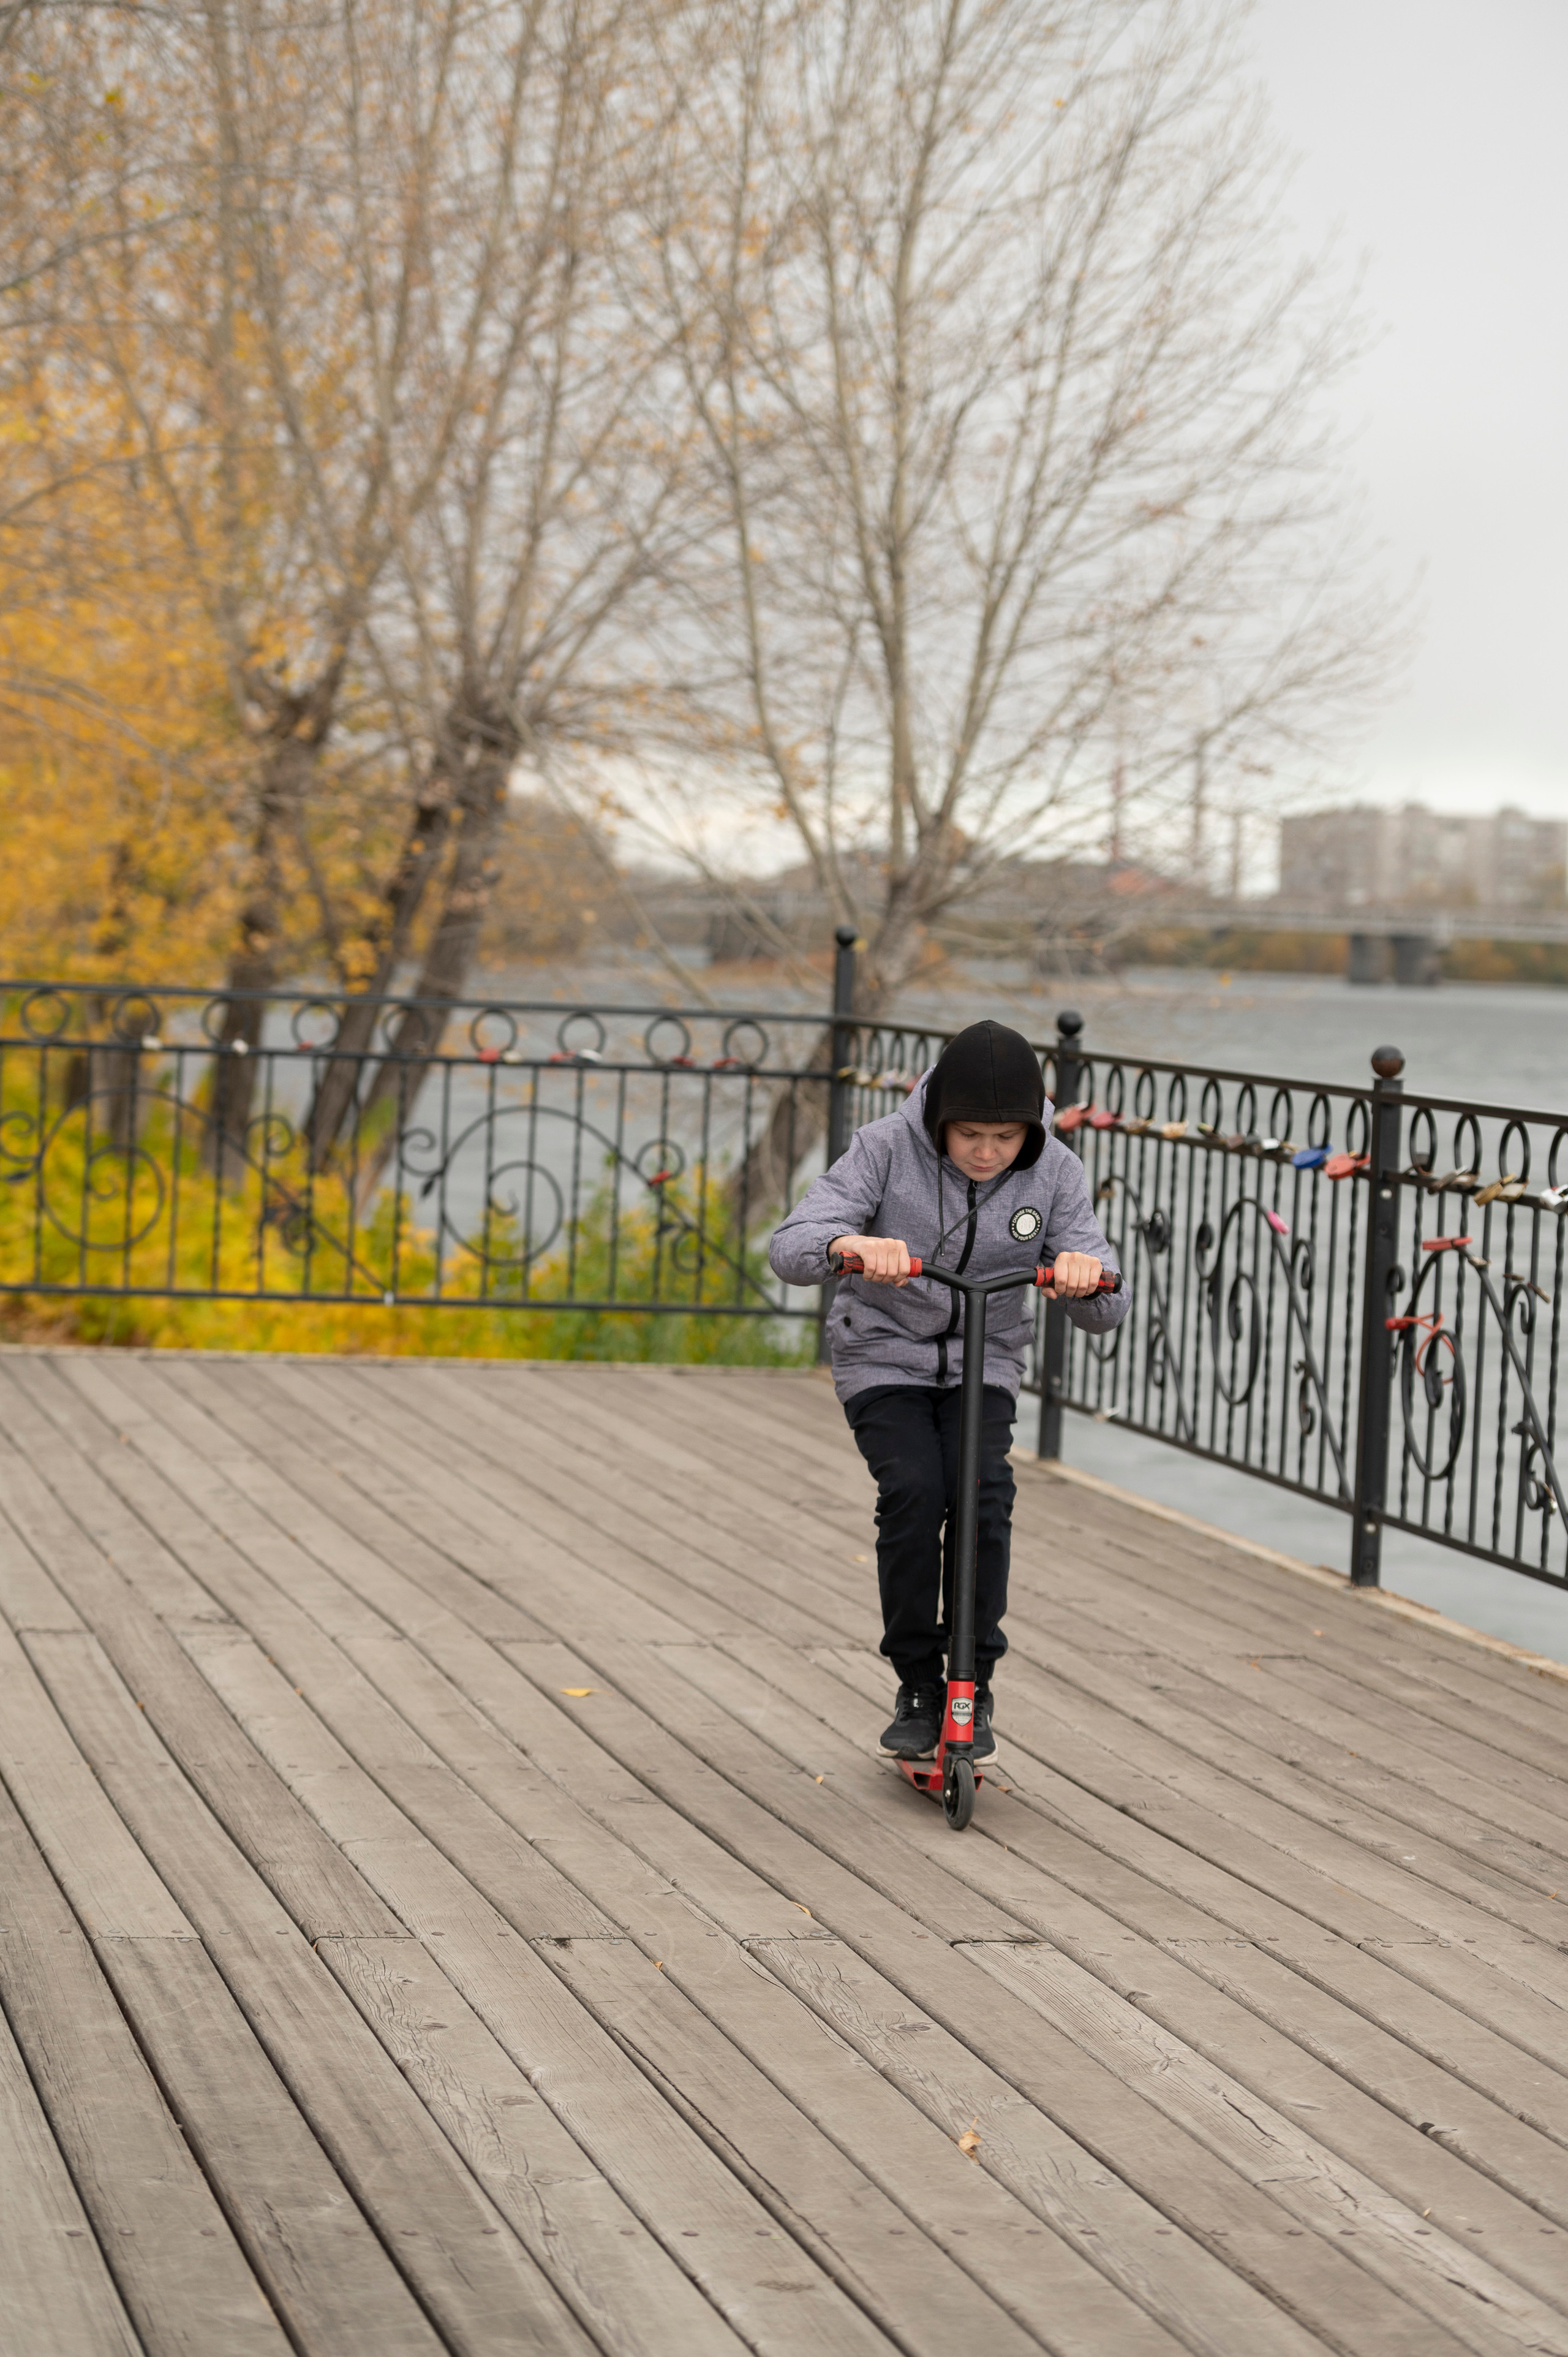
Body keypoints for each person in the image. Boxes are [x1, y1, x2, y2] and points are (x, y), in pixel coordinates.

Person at [769, 1018, 1129, 1766]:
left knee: (981, 1495)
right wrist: (848, 1245)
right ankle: (917, 1684)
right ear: (938, 1120)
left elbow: (1107, 1301)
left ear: (1029, 1130)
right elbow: (792, 1245)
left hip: (984, 1361)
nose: (988, 1152)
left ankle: (973, 1682)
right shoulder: (882, 1147)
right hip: (883, 1357)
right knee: (913, 1489)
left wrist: (1081, 1276)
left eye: (1005, 1137)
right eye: (969, 1134)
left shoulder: (1055, 1170)